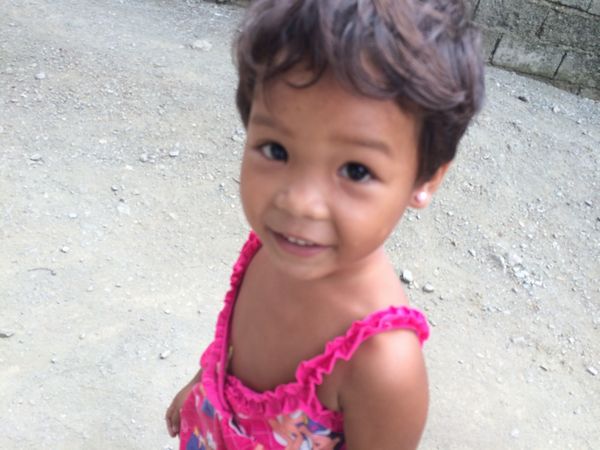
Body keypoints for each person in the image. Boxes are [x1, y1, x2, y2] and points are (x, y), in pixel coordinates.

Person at [166, 0, 484, 448]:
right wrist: (202, 384)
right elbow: (229, 344)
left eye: (355, 170)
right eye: (276, 150)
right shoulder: (270, 248)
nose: (299, 203)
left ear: (425, 179)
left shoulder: (382, 365)